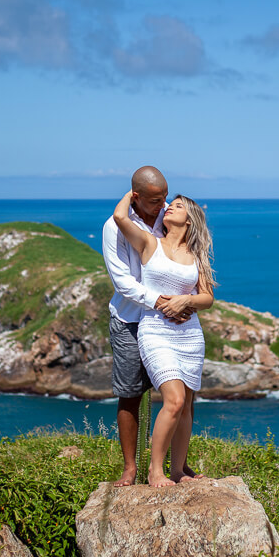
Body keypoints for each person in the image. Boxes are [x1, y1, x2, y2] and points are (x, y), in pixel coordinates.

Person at [113, 188, 216, 487]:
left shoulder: (196, 255)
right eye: (169, 204)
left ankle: (178, 471)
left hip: (190, 336)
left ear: (191, 220)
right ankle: (155, 470)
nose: (169, 207)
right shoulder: (149, 242)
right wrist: (133, 192)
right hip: (155, 332)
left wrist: (186, 301)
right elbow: (120, 217)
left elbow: (207, 298)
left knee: (185, 406)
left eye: (178, 206)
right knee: (174, 400)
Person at [101, 166, 196, 487]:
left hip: (169, 323)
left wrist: (184, 303)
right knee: (131, 393)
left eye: (166, 198)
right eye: (156, 200)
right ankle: (131, 468)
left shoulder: (164, 220)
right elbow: (123, 282)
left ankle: (176, 465)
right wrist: (160, 302)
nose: (164, 204)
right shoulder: (114, 229)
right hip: (131, 318)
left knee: (179, 398)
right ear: (136, 197)